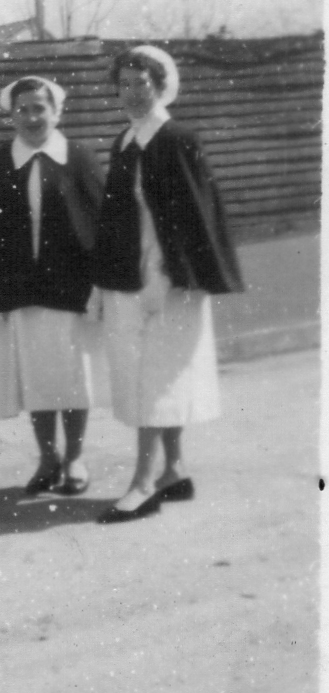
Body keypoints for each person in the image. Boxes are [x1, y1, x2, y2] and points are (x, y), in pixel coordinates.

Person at [91, 46, 243, 522]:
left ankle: (142, 483)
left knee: (157, 376)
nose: (132, 93)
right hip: (131, 274)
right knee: (148, 372)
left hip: (171, 275)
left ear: (160, 85)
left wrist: (190, 276)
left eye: (141, 83)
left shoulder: (176, 137)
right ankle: (173, 468)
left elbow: (202, 211)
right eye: (124, 84)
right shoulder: (124, 141)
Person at [0, 76, 104, 494]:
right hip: (21, 290)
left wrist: (98, 286)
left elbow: (99, 222)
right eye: (22, 109)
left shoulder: (79, 158)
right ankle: (48, 459)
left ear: (57, 111)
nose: (31, 117)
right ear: (10, 114)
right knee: (37, 379)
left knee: (72, 380)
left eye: (39, 108)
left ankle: (76, 458)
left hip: (70, 289)